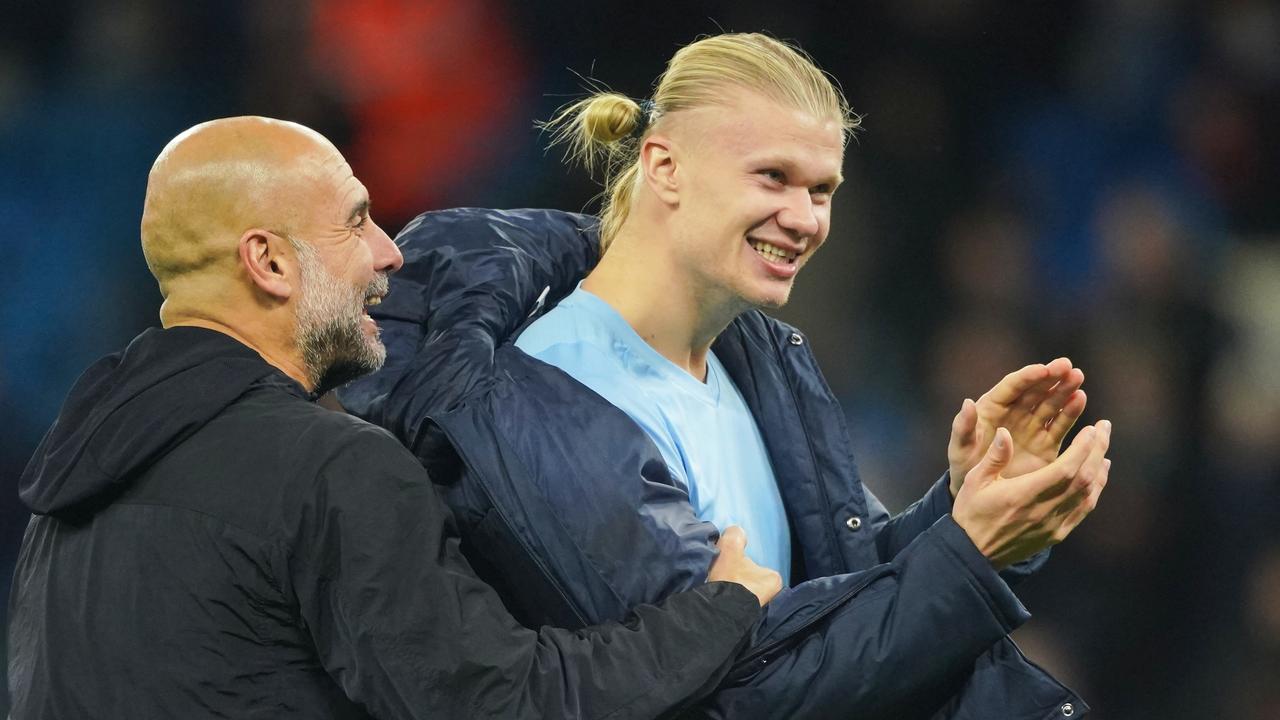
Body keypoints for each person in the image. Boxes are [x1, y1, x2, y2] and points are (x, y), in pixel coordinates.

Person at [340, 34, 1113, 718]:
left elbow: (840, 586)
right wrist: (968, 555)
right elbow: (741, 687)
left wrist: (969, 507)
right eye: (772, 177)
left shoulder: (761, 358)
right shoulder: (554, 383)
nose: (807, 218)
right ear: (664, 166)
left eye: (822, 191)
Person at [6, 116, 786, 719]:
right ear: (268, 262)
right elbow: (503, 702)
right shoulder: (328, 467)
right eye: (355, 221)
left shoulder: (76, 475)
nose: (390, 253)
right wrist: (717, 610)